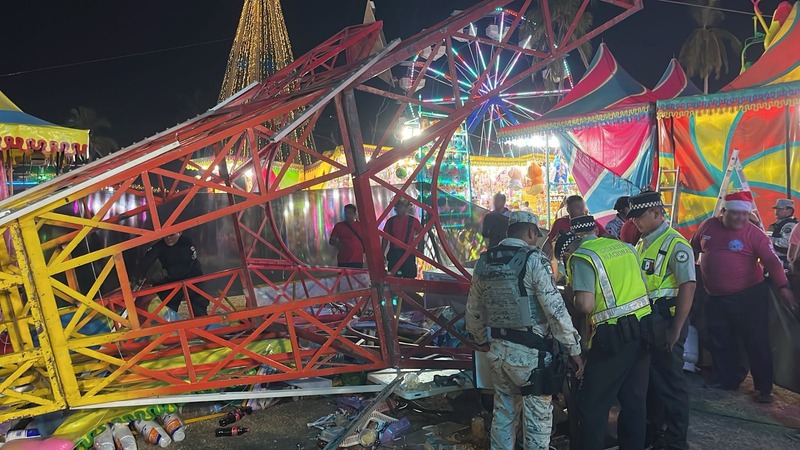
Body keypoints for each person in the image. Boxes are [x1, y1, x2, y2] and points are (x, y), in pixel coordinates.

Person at [466, 211, 584, 450]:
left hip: (498, 351)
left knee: (504, 411)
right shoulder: (534, 259)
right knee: (537, 420)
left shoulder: (485, 260)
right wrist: (574, 349)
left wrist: (479, 339)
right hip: (532, 357)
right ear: (531, 231)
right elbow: (555, 310)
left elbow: (473, 307)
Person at [690, 191, 797, 403]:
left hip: (749, 297)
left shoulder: (754, 234)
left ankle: (763, 388)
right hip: (715, 296)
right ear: (723, 212)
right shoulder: (708, 226)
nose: (740, 218)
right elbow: (692, 247)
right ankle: (725, 380)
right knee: (720, 339)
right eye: (735, 214)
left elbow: (772, 262)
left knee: (756, 341)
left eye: (744, 215)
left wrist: (784, 287)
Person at [555, 228, 652, 450]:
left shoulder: (582, 257)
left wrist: (570, 293)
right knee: (634, 400)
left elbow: (585, 304)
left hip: (614, 338)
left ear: (567, 253)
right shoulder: (624, 247)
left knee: (592, 403)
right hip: (643, 331)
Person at [628, 191, 696, 450]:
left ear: (656, 213)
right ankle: (655, 433)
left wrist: (676, 330)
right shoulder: (643, 242)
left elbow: (688, 287)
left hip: (667, 321)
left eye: (639, 216)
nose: (634, 221)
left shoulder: (676, 244)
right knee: (653, 382)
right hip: (649, 321)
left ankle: (677, 440)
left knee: (670, 383)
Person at [135, 231, 208, 316]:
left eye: (172, 235)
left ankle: (202, 324)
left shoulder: (186, 243)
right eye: (165, 236)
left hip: (193, 277)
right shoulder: (160, 245)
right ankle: (169, 324)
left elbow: (184, 266)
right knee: (168, 306)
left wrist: (161, 275)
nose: (168, 238)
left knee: (198, 306)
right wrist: (135, 276)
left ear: (179, 233)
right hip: (173, 280)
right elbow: (147, 261)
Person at [543, 195, 608, 257]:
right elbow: (549, 241)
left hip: (588, 256)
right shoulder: (559, 223)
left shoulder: (589, 222)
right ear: (568, 210)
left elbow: (606, 235)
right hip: (565, 259)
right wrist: (543, 256)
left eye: (583, 207)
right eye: (578, 208)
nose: (582, 211)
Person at [382, 198, 423, 279]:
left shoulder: (413, 221)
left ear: (407, 207)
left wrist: (420, 250)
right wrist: (382, 252)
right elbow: (385, 238)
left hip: (408, 253)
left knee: (409, 277)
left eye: (401, 206)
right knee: (394, 277)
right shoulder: (390, 221)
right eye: (397, 206)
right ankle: (396, 291)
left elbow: (421, 235)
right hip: (394, 253)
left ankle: (409, 291)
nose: (399, 209)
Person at [329, 204, 365, 268]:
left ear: (355, 214)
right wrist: (337, 244)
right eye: (346, 213)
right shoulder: (339, 226)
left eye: (350, 213)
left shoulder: (361, 226)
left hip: (357, 260)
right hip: (343, 260)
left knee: (356, 277)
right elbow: (331, 240)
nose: (347, 215)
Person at [767, 198, 797, 269]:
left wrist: (768, 239)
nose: (776, 212)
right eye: (776, 209)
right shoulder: (777, 224)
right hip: (775, 259)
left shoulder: (790, 225)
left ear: (789, 211)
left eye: (780, 209)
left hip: (784, 261)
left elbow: (786, 243)